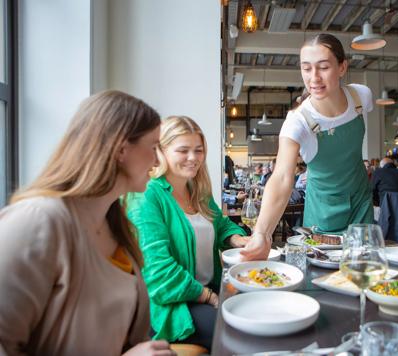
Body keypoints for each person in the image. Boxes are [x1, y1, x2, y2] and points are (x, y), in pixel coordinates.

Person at [0, 91, 175, 355]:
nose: (157, 160)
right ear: (120, 149)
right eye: (153, 147)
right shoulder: (36, 222)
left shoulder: (115, 224)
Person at [241, 33, 374, 260]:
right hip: (324, 210)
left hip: (361, 202)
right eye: (306, 68)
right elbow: (282, 177)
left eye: (323, 67)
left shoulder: (361, 97)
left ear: (342, 67)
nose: (314, 78)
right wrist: (262, 232)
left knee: (364, 271)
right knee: (322, 277)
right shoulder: (298, 121)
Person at [126, 116, 247, 350]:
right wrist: (210, 298)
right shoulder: (146, 194)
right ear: (160, 151)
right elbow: (157, 271)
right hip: (171, 305)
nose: (193, 158)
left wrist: (237, 238)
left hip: (207, 291)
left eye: (198, 150)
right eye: (183, 150)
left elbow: (219, 223)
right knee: (241, 332)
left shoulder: (196, 189)